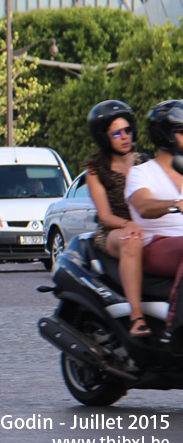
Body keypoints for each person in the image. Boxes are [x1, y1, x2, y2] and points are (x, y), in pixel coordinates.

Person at [83, 100, 148, 336]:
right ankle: (137, 317)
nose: (125, 137)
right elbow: (105, 215)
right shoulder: (95, 172)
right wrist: (127, 223)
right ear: (104, 137)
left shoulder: (145, 162)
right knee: (131, 239)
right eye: (117, 133)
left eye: (128, 130)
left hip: (147, 226)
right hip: (113, 230)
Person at [124, 100, 183, 345]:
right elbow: (143, 206)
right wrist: (175, 204)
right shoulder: (142, 172)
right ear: (167, 135)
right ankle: (176, 325)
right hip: (155, 244)